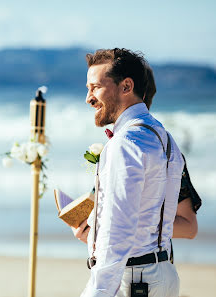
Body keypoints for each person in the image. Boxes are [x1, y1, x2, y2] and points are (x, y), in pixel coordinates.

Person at [78, 48, 184, 297]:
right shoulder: (165, 138)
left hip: (135, 282)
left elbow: (119, 230)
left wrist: (98, 291)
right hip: (163, 273)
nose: (89, 98)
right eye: (88, 88)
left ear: (126, 86)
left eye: (95, 87)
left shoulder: (124, 143)